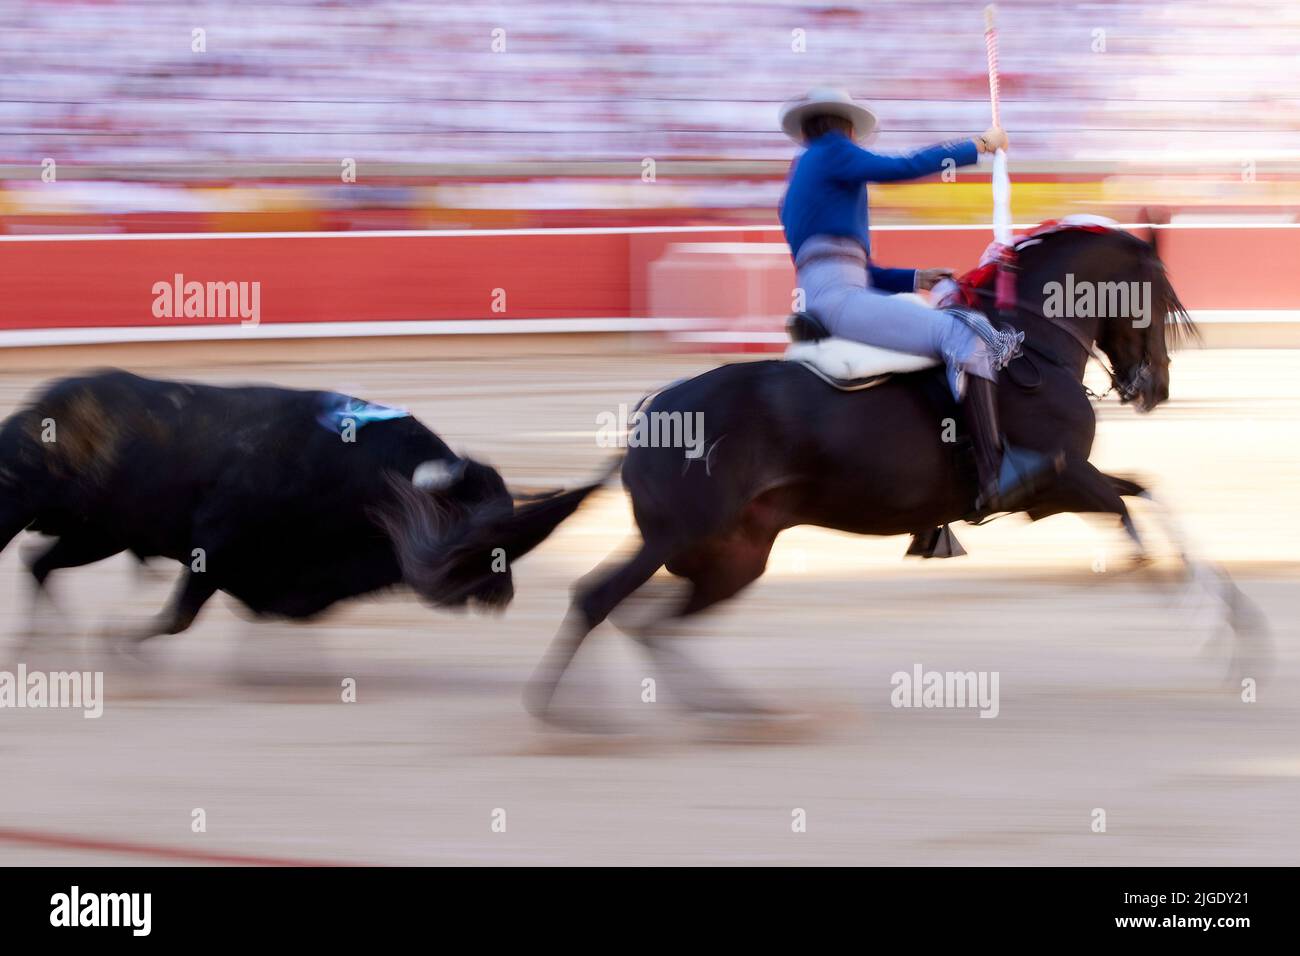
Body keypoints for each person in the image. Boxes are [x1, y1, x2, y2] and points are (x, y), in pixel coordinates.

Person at [778, 87, 1058, 515]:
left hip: (832, 293)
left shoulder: (805, 174)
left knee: (933, 342)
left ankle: (935, 504)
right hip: (841, 300)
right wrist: (978, 146)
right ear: (846, 127)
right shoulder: (832, 151)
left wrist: (916, 278)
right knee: (965, 337)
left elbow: (858, 268)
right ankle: (993, 474)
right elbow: (903, 166)